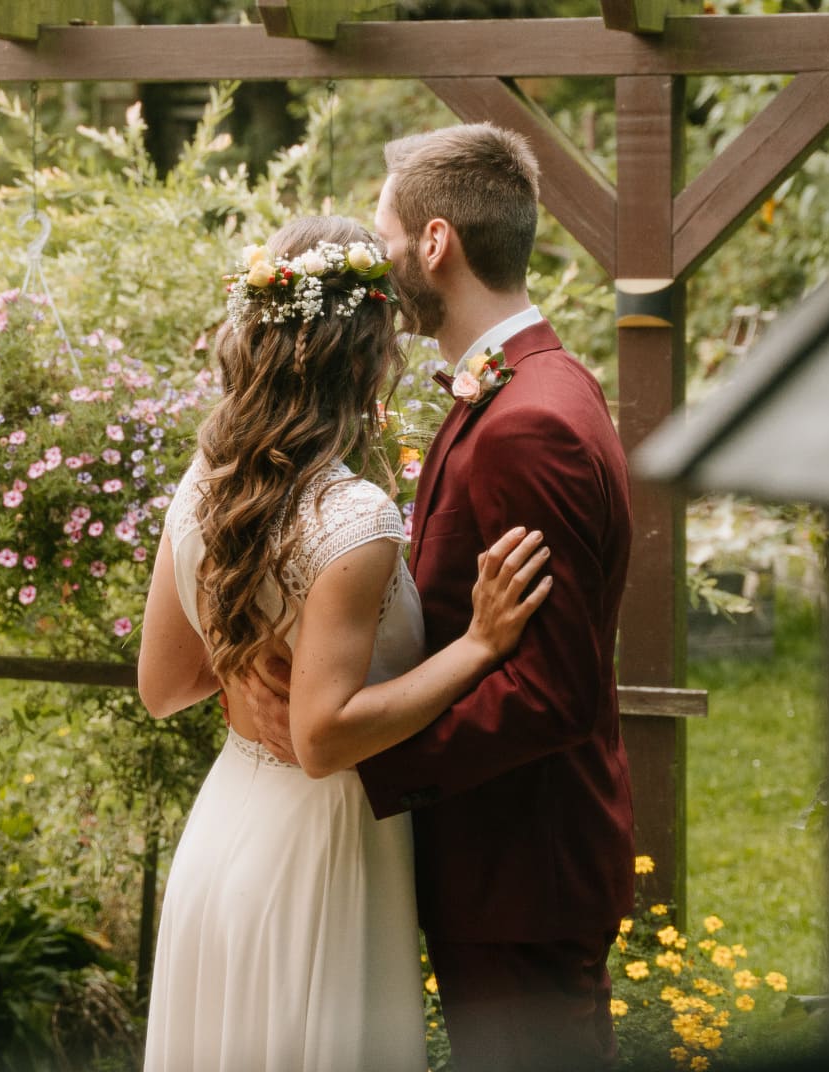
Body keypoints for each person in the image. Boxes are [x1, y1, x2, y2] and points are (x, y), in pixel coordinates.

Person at [247, 124, 636, 1070]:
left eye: (383, 241)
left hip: (523, 868)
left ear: (434, 243)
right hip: (510, 862)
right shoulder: (527, 388)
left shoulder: (527, 424)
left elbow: (548, 694)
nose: (375, 273)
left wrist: (355, 755)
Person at [137, 213, 553, 1072]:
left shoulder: (203, 481)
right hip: (317, 858)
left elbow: (163, 685)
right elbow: (323, 740)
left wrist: (240, 655)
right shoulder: (351, 516)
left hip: (223, 838)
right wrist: (476, 645)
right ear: (369, 354)